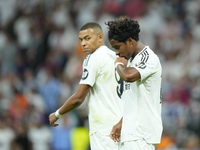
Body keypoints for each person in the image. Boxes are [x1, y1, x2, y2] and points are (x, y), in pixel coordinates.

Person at [49, 22, 123, 150]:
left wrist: (57, 114)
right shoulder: (118, 57)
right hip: (122, 126)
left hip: (104, 129)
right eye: (81, 40)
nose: (83, 43)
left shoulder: (93, 58)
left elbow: (79, 98)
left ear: (100, 37)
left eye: (87, 38)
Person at [105, 16, 163, 150]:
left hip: (141, 134)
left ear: (130, 41)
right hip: (131, 133)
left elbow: (128, 76)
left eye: (118, 47)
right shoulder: (131, 60)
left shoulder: (148, 57)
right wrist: (122, 122)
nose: (117, 52)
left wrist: (118, 64)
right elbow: (137, 100)